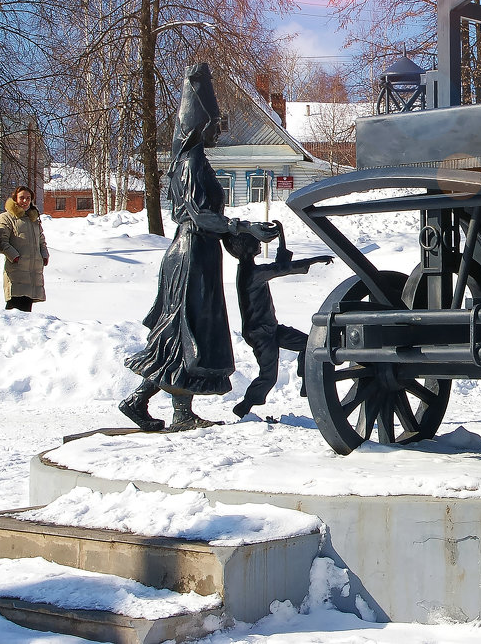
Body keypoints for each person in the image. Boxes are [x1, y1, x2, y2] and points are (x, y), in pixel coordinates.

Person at [120, 63, 278, 433]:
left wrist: (247, 235)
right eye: (211, 123)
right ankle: (177, 412)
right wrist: (240, 225)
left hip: (202, 255)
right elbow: (195, 215)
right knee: (186, 330)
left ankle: (142, 401)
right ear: (196, 125)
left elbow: (211, 219)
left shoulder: (198, 161)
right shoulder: (190, 163)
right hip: (190, 256)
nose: (216, 129)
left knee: (186, 331)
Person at [222, 222, 332, 420]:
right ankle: (244, 406)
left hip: (270, 329)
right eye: (256, 241)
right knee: (268, 376)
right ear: (247, 248)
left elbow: (279, 264)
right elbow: (282, 268)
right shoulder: (252, 273)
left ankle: (307, 385)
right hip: (260, 333)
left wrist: (281, 235)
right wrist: (315, 259)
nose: (259, 244)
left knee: (309, 344)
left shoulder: (252, 270)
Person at [0, 186, 49, 312]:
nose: (25, 201)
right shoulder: (7, 217)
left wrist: (44, 255)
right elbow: (1, 241)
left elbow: (41, 239)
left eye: (28, 198)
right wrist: (14, 256)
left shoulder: (33, 219)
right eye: (22, 198)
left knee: (26, 309)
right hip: (16, 270)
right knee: (14, 308)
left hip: (33, 270)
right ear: (15, 199)